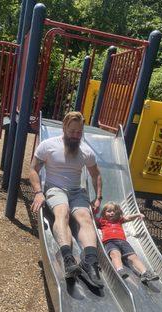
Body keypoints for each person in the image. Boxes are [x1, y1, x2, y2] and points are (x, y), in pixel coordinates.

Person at [29, 111, 103, 288]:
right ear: (64, 128)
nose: (75, 136)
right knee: (63, 212)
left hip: (77, 191)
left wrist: (98, 197)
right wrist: (39, 192)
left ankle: (90, 261)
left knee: (85, 217)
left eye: (79, 132)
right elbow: (33, 169)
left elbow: (96, 175)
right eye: (72, 131)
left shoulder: (86, 151)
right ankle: (68, 258)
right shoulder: (48, 146)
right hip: (55, 188)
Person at [96, 201, 159, 283]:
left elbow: (129, 218)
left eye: (113, 211)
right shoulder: (102, 221)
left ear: (117, 213)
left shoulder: (119, 220)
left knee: (133, 257)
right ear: (104, 213)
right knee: (115, 254)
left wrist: (137, 215)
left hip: (123, 242)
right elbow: (93, 220)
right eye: (109, 211)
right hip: (109, 242)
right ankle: (120, 270)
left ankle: (145, 273)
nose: (111, 213)